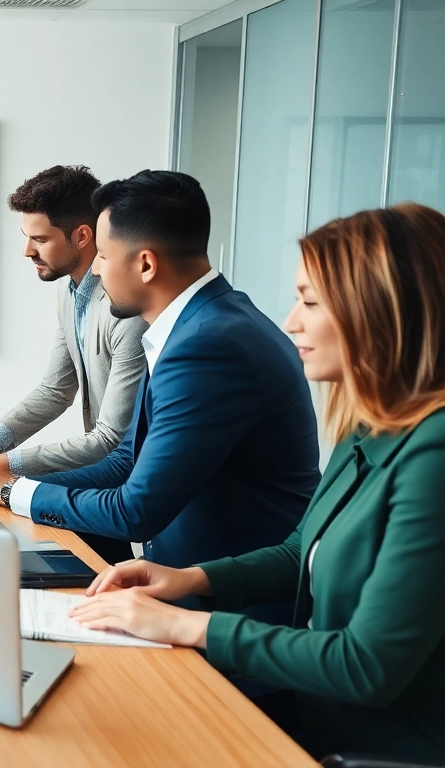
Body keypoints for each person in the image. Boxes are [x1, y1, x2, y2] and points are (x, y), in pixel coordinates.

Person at [70, 204, 445, 763]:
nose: (292, 321)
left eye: (312, 303)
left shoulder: (433, 454)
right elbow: (304, 549)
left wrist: (186, 624)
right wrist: (188, 578)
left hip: (377, 747)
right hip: (317, 717)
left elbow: (365, 666)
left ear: (386, 312)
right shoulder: (371, 423)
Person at [0, 171, 321, 593]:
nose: (97, 270)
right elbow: (125, 460)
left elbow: (135, 509)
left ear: (145, 264)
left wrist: (10, 489)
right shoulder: (195, 327)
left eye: (103, 254)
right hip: (178, 582)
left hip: (227, 602)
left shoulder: (207, 345)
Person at [0, 165, 147, 477]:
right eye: (27, 237)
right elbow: (55, 389)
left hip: (137, 478)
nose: (27, 251)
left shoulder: (128, 308)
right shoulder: (70, 291)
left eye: (40, 239)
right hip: (106, 470)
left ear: (82, 236)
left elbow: (112, 439)